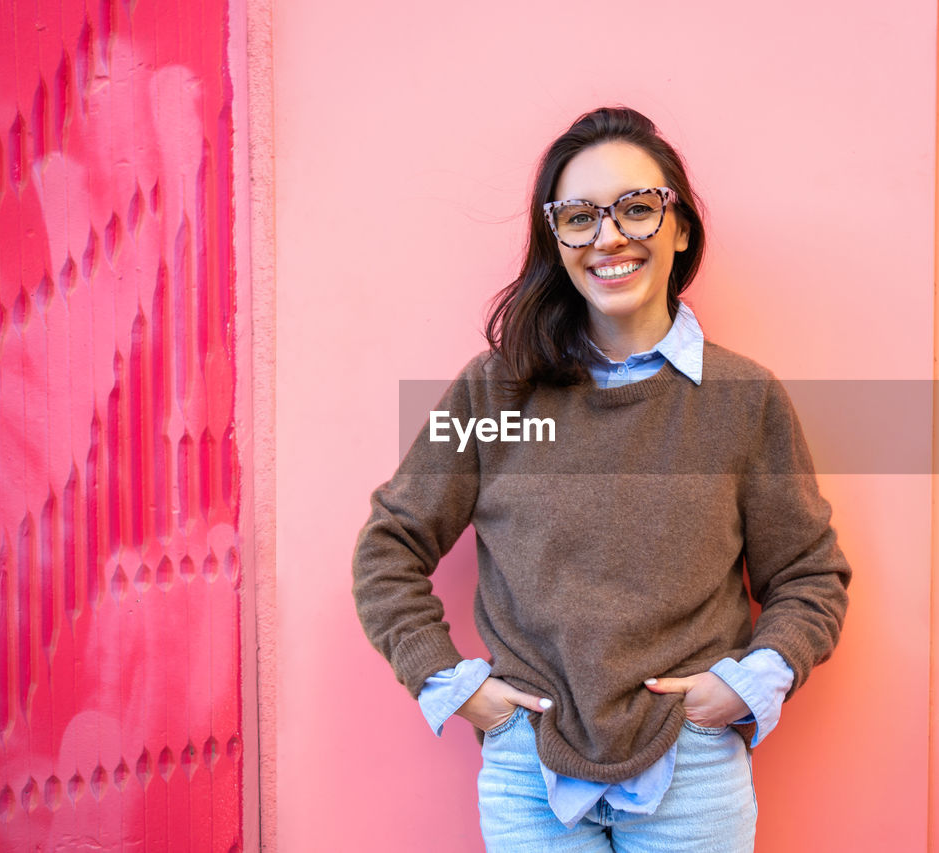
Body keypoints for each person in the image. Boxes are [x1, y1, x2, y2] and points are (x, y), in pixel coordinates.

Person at [352, 106, 851, 852]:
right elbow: (389, 545)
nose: (609, 236)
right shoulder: (495, 395)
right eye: (578, 216)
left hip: (692, 770)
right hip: (530, 767)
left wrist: (748, 683)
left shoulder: (743, 399)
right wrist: (456, 686)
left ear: (679, 228)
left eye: (637, 208)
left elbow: (811, 575)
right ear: (556, 242)